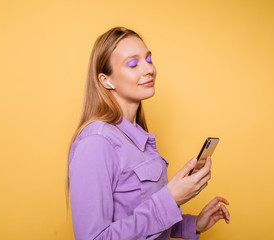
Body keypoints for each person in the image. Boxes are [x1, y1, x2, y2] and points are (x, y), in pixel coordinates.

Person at [67, 26, 230, 240]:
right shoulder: (96, 142)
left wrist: (194, 224)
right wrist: (170, 199)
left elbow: (142, 221)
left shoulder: (137, 137)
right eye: (133, 63)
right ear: (105, 80)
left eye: (149, 59)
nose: (148, 69)